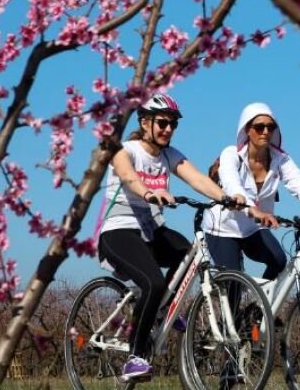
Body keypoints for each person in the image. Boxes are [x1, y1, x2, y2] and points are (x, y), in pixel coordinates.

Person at [97, 93, 246, 383]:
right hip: (118, 230)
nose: (168, 129)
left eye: (173, 125)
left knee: (187, 254)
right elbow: (128, 177)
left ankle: (163, 307)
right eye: (163, 123)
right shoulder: (125, 150)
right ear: (145, 122)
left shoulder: (168, 154)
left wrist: (227, 198)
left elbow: (197, 179)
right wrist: (148, 192)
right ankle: (134, 357)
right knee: (152, 282)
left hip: (150, 231)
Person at [204, 102, 300, 282]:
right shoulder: (232, 154)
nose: (265, 132)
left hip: (254, 228)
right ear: (247, 129)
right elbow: (231, 181)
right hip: (223, 228)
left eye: (270, 127)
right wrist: (249, 207)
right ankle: (233, 307)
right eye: (259, 127)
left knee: (278, 261)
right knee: (233, 284)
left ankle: (258, 308)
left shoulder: (280, 159)